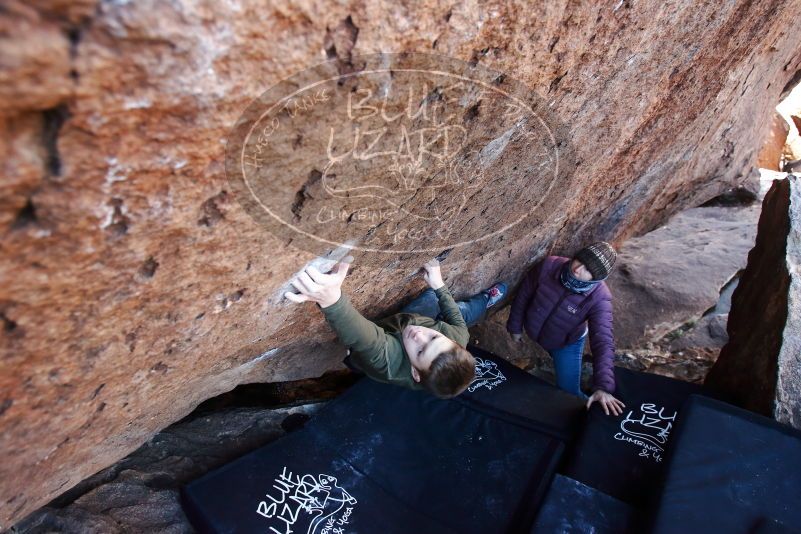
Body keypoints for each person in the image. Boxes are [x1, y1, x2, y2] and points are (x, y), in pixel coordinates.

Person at [285, 257, 507, 399]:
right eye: (433, 338)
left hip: (381, 342)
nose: (420, 336)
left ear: (414, 372)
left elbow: (367, 340)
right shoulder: (457, 337)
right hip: (410, 320)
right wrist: (439, 285)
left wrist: (331, 299)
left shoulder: (390, 363)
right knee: (463, 310)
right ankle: (486, 300)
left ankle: (354, 359)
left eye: (421, 350)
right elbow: (457, 321)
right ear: (455, 343)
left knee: (361, 353)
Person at [506, 242, 626, 416]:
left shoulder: (599, 298)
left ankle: (593, 416)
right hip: (535, 330)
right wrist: (515, 327)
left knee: (568, 391)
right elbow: (523, 295)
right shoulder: (549, 266)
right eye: (579, 260)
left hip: (566, 344)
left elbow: (603, 341)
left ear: (596, 278)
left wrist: (603, 386)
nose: (577, 269)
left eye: (587, 269)